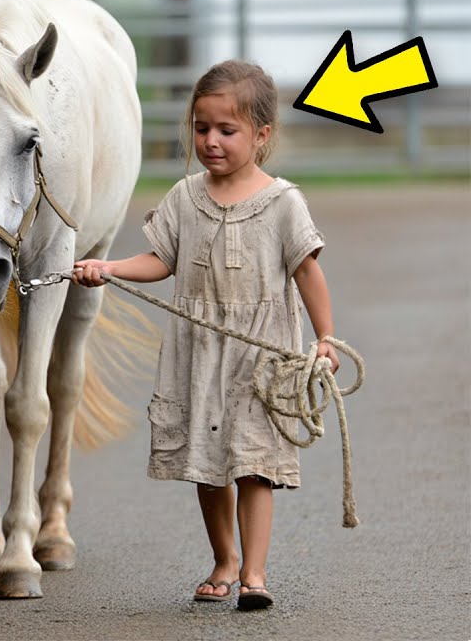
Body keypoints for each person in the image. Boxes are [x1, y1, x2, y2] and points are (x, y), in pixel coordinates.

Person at [72, 59, 339, 612]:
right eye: (201, 128)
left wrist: (327, 340)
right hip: (199, 352)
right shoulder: (185, 197)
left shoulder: (283, 202)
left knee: (253, 463)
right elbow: (160, 259)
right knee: (208, 461)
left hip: (262, 356)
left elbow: (308, 270)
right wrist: (111, 267)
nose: (211, 141)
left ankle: (255, 574)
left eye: (227, 130)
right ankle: (225, 559)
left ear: (261, 136)